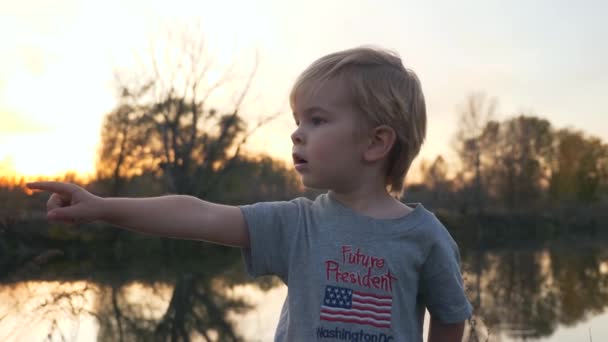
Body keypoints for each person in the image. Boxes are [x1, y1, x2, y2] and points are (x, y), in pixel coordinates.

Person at [27, 46, 473, 341]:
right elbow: (197, 214)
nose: (297, 134)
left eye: (317, 120)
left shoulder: (424, 236)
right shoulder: (297, 223)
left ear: (376, 142)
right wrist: (104, 208)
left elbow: (451, 318)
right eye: (297, 121)